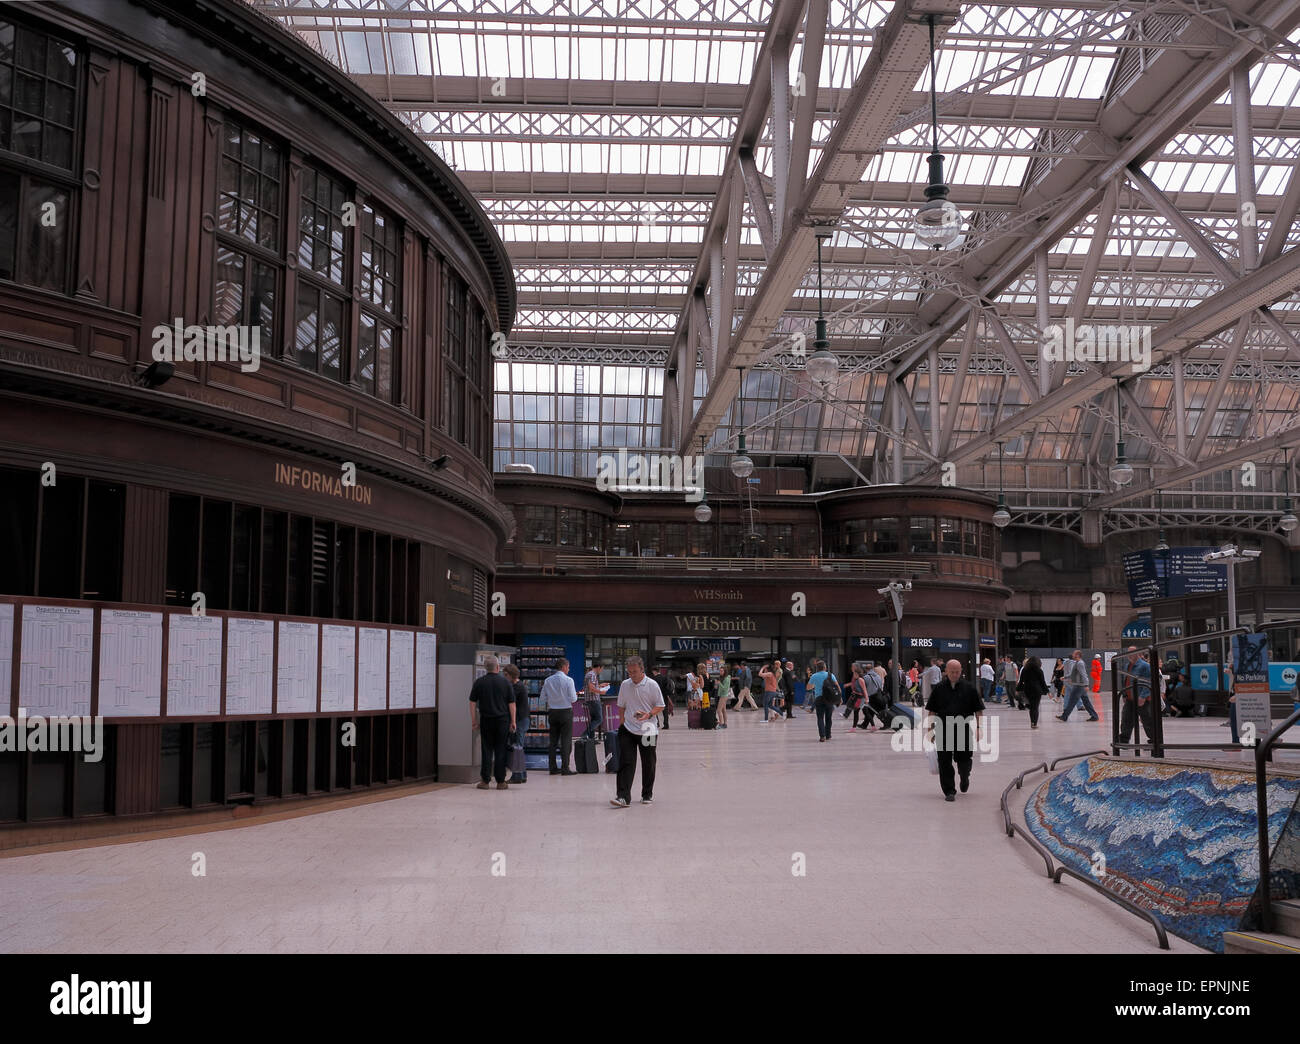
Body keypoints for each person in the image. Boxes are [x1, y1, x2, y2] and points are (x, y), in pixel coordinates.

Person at [925, 659, 985, 801]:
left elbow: (978, 711)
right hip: (943, 728)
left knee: (963, 759)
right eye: (952, 672)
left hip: (963, 728)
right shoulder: (939, 689)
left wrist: (979, 728)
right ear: (946, 672)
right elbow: (932, 711)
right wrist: (930, 730)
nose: (955, 674)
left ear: (961, 671)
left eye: (957, 672)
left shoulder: (969, 688)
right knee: (944, 761)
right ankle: (949, 791)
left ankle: (964, 776)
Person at [610, 655, 665, 807]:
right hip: (627, 728)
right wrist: (621, 721)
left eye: (634, 672)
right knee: (626, 762)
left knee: (649, 763)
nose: (632, 675)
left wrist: (649, 714)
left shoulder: (652, 685)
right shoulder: (625, 685)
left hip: (649, 729)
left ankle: (647, 794)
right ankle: (622, 797)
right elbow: (621, 704)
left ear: (642, 670)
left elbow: (661, 705)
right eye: (629, 672)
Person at [469, 655, 516, 790]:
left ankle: (485, 781)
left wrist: (473, 720)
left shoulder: (479, 682)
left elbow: (472, 703)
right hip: (502, 721)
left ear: (485, 668)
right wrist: (513, 721)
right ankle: (501, 781)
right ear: (498, 667)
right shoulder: (505, 683)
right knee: (501, 749)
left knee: (486, 749)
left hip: (486, 720)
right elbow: (511, 703)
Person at [539, 657, 579, 774]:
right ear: (563, 667)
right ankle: (565, 768)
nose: (569, 669)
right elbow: (573, 699)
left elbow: (542, 698)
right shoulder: (569, 680)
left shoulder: (548, 680)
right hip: (566, 711)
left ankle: (552, 767)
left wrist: (553, 699)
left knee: (553, 741)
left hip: (553, 712)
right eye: (568, 667)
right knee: (566, 741)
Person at [1117, 645, 1153, 747]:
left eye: (1132, 652)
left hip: (1141, 699)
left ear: (1138, 653)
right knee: (1126, 720)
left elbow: (1148, 682)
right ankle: (1123, 741)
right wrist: (1124, 694)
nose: (1129, 655)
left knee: (1147, 721)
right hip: (1130, 699)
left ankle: (1154, 741)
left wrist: (1143, 696)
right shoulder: (1127, 666)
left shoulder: (1145, 666)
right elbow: (1125, 681)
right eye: (1128, 652)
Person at [502, 663, 530, 783]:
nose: (504, 677)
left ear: (510, 675)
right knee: (519, 747)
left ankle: (517, 775)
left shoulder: (516, 687)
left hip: (520, 720)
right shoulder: (519, 685)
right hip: (522, 719)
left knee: (517, 747)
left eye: (505, 675)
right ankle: (522, 774)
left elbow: (509, 702)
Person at [1058, 649, 1100, 722]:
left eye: (1074, 654)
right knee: (1086, 702)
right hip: (1080, 685)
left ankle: (1064, 716)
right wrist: (1065, 677)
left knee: (1072, 701)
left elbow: (1084, 674)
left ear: (1077, 655)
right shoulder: (1077, 663)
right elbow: (1073, 674)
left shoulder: (1080, 663)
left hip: (1079, 686)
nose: (1072, 655)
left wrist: (1086, 685)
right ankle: (1094, 716)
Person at [809, 659, 841, 741]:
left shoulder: (814, 676)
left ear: (817, 668)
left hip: (819, 698)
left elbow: (808, 687)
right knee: (828, 718)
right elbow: (837, 687)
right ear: (825, 667)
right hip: (829, 699)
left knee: (820, 718)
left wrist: (815, 685)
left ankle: (822, 736)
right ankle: (828, 735)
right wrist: (839, 698)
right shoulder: (830, 675)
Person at [1018, 655, 1049, 728]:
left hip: (1028, 690)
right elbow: (1042, 682)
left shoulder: (1024, 670)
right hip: (1037, 690)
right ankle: (1035, 723)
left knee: (1031, 707)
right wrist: (1047, 691)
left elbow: (1021, 681)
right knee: (1036, 707)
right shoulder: (1039, 670)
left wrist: (1018, 689)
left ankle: (1032, 722)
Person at [848, 663, 879, 731]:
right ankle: (872, 726)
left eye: (855, 674)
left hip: (861, 698)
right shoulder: (856, 680)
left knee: (858, 712)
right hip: (859, 698)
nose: (854, 675)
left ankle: (854, 728)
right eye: (853, 674)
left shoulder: (860, 680)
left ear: (858, 674)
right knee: (864, 712)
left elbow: (864, 690)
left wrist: (867, 699)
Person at [583, 660, 605, 738]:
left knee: (594, 719)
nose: (601, 671)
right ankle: (585, 734)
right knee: (599, 719)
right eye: (602, 669)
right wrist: (601, 692)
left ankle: (591, 738)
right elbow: (591, 688)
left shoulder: (589, 674)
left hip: (589, 700)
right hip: (594, 700)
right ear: (599, 667)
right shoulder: (593, 674)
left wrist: (600, 685)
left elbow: (591, 686)